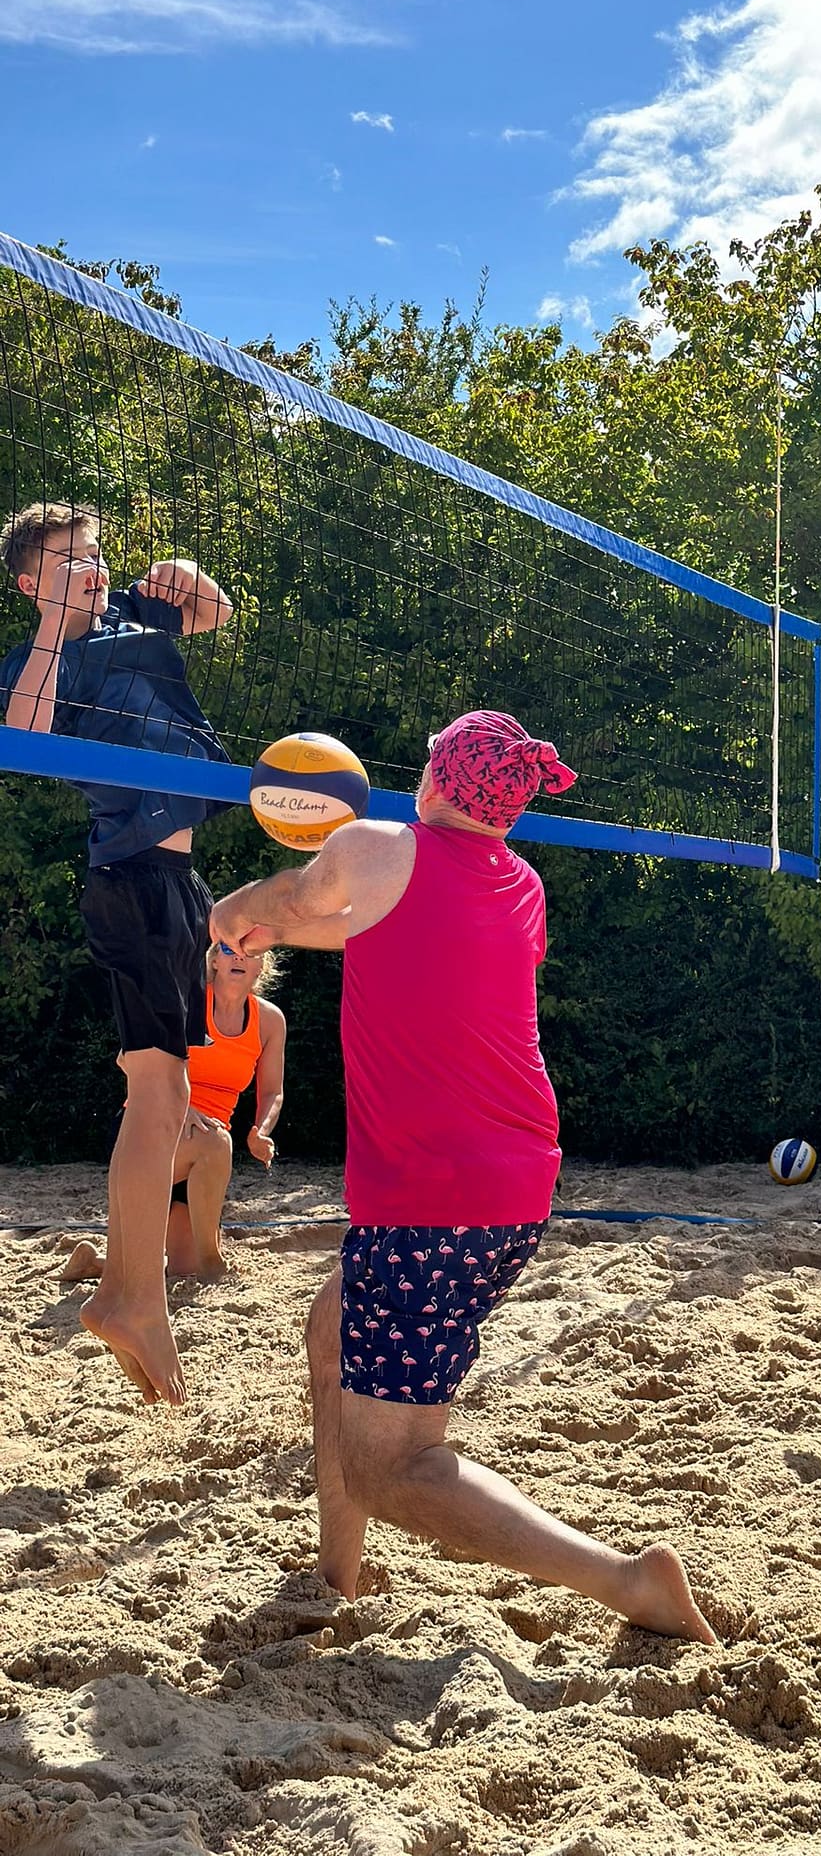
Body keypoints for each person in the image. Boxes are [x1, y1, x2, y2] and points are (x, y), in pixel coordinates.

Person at [207, 710, 715, 1642]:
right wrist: (271, 934)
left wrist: (231, 915)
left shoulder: (372, 846)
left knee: (395, 1470)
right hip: (507, 1184)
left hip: (433, 1202)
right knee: (330, 1335)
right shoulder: (519, 883)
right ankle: (337, 1573)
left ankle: (628, 1583)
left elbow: (294, 900)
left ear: (436, 778)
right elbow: (356, 926)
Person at [1, 502, 232, 1406]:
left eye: (95, 553)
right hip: (128, 879)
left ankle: (127, 1285)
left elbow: (212, 613)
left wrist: (193, 578)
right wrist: (55, 626)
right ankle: (131, 1296)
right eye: (71, 561)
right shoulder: (36, 663)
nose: (94, 568)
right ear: (32, 583)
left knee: (170, 1110)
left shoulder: (136, 614)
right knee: (159, 1098)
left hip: (178, 883)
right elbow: (24, 742)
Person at [61, 942, 287, 1284]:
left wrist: (261, 1132)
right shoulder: (188, 1001)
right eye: (229, 949)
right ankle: (213, 1262)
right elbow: (127, 1058)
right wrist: (182, 1105)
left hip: (203, 1156)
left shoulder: (269, 1020)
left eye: (250, 951)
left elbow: (272, 1091)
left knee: (183, 1268)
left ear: (262, 966)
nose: (239, 956)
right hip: (149, 1129)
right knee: (218, 1143)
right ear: (214, 959)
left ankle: (95, 1263)